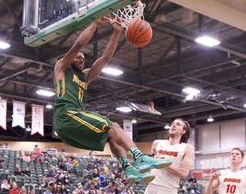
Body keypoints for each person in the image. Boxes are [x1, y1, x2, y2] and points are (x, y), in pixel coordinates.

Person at [53, 18, 172, 184]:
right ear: (70, 58)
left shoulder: (85, 76)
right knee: (113, 126)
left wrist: (116, 32)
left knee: (110, 136)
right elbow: (79, 43)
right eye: (78, 58)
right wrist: (94, 23)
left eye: (84, 59)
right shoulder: (62, 67)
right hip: (67, 115)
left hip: (70, 125)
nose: (82, 60)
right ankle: (140, 157)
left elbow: (105, 59)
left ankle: (128, 169)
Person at [144, 118, 195, 194]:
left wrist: (162, 162)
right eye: (172, 124)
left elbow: (183, 173)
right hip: (151, 187)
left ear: (183, 131)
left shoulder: (187, 148)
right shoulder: (157, 143)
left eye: (178, 124)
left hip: (169, 189)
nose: (174, 125)